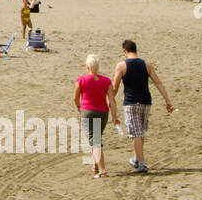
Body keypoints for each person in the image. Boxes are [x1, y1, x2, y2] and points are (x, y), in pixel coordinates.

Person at [108, 39, 174, 174]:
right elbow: (158, 82)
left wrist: (110, 99)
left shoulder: (121, 66)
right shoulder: (146, 65)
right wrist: (167, 100)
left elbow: (115, 86)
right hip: (146, 102)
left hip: (131, 103)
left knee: (136, 133)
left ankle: (142, 164)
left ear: (124, 51)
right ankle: (136, 159)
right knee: (140, 132)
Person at [73, 55, 113, 177]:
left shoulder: (81, 80)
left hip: (87, 110)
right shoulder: (106, 81)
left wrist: (79, 107)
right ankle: (96, 164)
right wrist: (115, 116)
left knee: (95, 140)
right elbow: (111, 100)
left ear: (87, 67)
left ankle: (102, 170)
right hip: (103, 111)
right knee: (96, 137)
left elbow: (75, 98)